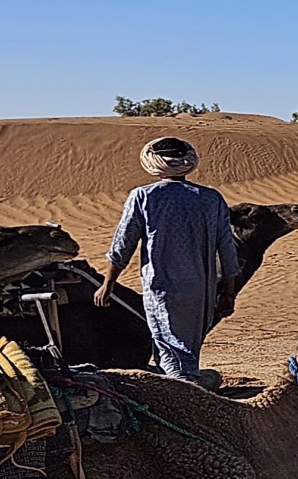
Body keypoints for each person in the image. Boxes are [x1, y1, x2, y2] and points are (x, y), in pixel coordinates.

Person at [96, 137, 238, 384]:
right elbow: (226, 249)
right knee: (187, 348)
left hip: (162, 286)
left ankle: (183, 396)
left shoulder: (144, 196)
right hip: (201, 289)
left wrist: (108, 283)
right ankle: (187, 385)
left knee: (170, 347)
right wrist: (228, 292)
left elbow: (123, 244)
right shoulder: (211, 198)